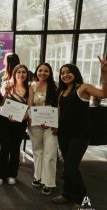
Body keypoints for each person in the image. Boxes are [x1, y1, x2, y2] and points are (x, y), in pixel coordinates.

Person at [52, 59, 107, 209]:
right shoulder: (62, 92)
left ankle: (83, 200)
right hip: (64, 134)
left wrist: (104, 73)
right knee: (66, 167)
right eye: (62, 73)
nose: (65, 75)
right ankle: (67, 194)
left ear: (75, 73)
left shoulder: (84, 88)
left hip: (80, 135)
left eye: (68, 72)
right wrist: (55, 126)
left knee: (71, 167)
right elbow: (59, 111)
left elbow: (103, 94)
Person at [0, 64, 29, 186]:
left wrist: (19, 118)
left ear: (27, 74)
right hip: (5, 121)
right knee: (5, 148)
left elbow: (29, 107)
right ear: (14, 73)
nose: (21, 74)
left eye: (23, 72)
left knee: (15, 149)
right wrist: (6, 93)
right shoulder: (7, 84)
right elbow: (1, 104)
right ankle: (1, 174)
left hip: (20, 122)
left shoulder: (29, 87)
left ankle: (12, 174)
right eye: (18, 72)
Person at [27, 63, 59, 195]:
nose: (42, 73)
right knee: (37, 151)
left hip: (51, 125)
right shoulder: (32, 86)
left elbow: (58, 106)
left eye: (46, 71)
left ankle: (49, 182)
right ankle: (37, 176)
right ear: (36, 72)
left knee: (50, 153)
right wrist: (34, 118)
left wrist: (55, 123)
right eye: (40, 70)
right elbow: (29, 105)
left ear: (50, 73)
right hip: (35, 123)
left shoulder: (56, 86)